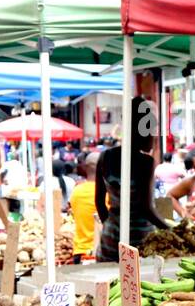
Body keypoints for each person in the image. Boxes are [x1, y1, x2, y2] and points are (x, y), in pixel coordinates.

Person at [96, 98, 166, 262]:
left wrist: (114, 225)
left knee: (109, 284)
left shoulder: (105, 157)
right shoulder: (145, 163)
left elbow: (99, 202)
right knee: (138, 284)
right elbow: (146, 209)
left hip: (110, 237)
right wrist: (172, 230)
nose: (154, 137)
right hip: (140, 241)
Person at [70, 154, 99, 262]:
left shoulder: (76, 191)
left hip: (80, 251)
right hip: (100, 252)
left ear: (85, 168)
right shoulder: (108, 192)